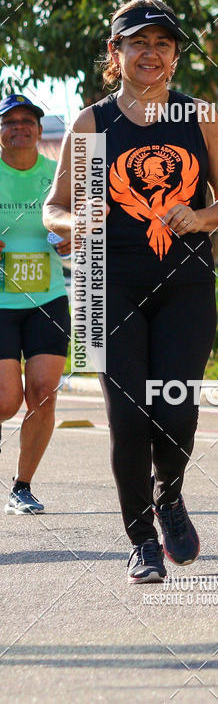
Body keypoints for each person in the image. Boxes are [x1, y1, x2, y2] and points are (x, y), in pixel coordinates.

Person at [44, 0, 218, 582]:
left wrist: (202, 218)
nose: (150, 53)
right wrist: (75, 225)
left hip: (185, 283)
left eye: (162, 43)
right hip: (110, 285)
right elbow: (55, 210)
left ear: (175, 56)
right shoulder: (91, 123)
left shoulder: (201, 118)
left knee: (175, 407)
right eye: (138, 42)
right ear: (116, 53)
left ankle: (170, 494)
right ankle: (141, 543)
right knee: (129, 415)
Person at [0, 94, 70, 514]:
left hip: (47, 298)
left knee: (43, 394)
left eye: (28, 121)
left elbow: (77, 227)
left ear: (40, 131)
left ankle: (21, 486)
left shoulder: (54, 176)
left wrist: (71, 239)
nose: (20, 127)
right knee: (6, 401)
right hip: (0, 304)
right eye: (10, 122)